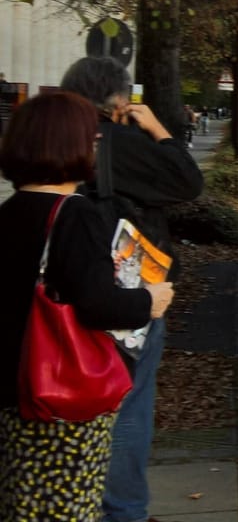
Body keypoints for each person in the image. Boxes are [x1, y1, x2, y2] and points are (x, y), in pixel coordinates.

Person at [0, 92, 176, 522]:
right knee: (66, 507)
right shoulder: (74, 214)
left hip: (12, 392)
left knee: (23, 503)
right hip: (61, 401)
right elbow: (98, 304)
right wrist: (148, 301)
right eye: (92, 139)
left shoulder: (9, 211)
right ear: (70, 145)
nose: (96, 147)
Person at [60, 56, 204, 522]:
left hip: (67, 282)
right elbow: (188, 182)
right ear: (120, 99)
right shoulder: (121, 142)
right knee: (130, 403)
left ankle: (76, 499)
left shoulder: (60, 138)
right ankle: (123, 511)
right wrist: (159, 128)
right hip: (130, 289)